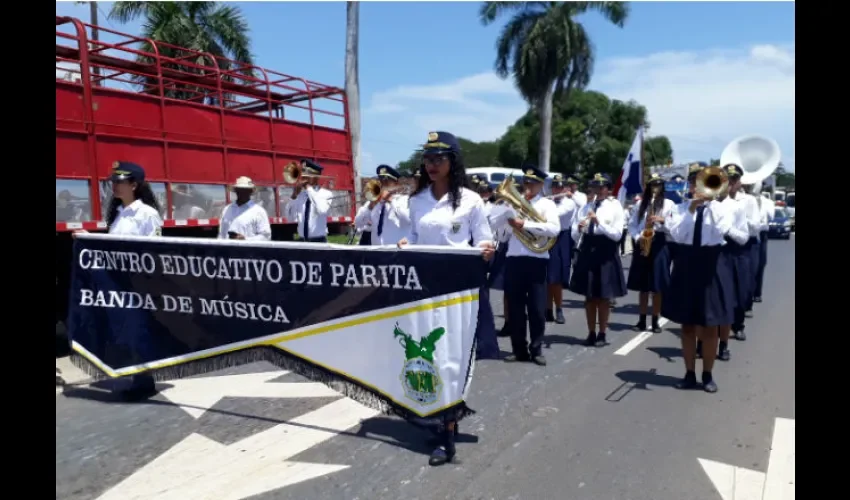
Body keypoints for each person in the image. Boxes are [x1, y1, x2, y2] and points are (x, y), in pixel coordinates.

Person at [398, 131, 495, 466]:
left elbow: (484, 240)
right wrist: (405, 246)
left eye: (439, 158)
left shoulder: (471, 200)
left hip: (458, 292)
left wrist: (485, 250)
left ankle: (448, 433)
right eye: (427, 158)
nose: (432, 165)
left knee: (451, 360)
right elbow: (413, 236)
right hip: (425, 288)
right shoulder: (416, 200)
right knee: (427, 354)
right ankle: (435, 417)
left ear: (453, 161)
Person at [74, 161, 164, 400]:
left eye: (119, 181)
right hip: (119, 284)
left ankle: (145, 381)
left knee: (138, 332)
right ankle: (135, 376)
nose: (114, 185)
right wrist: (90, 239)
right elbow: (113, 247)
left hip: (137, 284)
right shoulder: (119, 214)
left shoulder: (147, 214)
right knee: (125, 331)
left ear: (134, 185)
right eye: (113, 182)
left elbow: (153, 251)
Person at [663, 165, 736, 393]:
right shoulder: (680, 208)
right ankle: (689, 373)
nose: (698, 188)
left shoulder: (721, 209)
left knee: (710, 326)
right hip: (686, 265)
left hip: (711, 264)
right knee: (687, 325)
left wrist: (710, 204)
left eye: (703, 184)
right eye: (695, 183)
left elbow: (720, 230)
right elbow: (677, 234)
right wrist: (692, 209)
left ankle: (707, 374)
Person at [499, 165, 560, 366]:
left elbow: (553, 229)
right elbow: (503, 236)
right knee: (515, 309)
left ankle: (536, 349)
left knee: (536, 309)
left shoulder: (547, 205)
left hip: (537, 261)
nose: (528, 186)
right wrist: (505, 223)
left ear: (541, 184)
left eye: (533, 183)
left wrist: (525, 224)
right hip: (514, 259)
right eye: (526, 182)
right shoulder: (513, 206)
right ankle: (519, 350)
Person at [697, 163, 753, 362]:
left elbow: (744, 237)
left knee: (726, 303)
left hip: (728, 256)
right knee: (703, 303)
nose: (724, 185)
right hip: (706, 256)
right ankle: (702, 342)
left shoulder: (736, 208)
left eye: (728, 182)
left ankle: (723, 344)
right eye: (721, 181)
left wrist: (727, 229)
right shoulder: (704, 205)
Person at [568, 173, 627, 347]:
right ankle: (591, 332)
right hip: (588, 249)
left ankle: (602, 333)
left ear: (608, 189)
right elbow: (574, 232)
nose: (598, 191)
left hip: (605, 250)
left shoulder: (615, 207)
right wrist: (579, 229)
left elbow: (617, 235)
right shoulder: (586, 207)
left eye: (602, 187)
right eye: (595, 187)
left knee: (603, 297)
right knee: (589, 296)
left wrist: (599, 222)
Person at [627, 174, 675, 333]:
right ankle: (641, 319)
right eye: (653, 185)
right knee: (643, 286)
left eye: (659, 185)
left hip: (660, 243)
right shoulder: (640, 204)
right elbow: (632, 225)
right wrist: (638, 237)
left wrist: (661, 221)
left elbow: (675, 227)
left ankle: (655, 320)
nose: (656, 188)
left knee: (657, 286)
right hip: (643, 241)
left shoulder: (669, 204)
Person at [545, 174, 577, 324]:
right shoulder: (547, 201)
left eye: (560, 186)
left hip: (561, 237)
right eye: (555, 186)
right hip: (546, 237)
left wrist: (545, 203)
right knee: (545, 276)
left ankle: (558, 308)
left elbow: (555, 215)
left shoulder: (569, 203)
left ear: (565, 188)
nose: (557, 189)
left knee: (556, 278)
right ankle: (547, 309)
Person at [359, 165, 411, 246]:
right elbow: (358, 224)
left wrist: (391, 200)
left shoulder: (405, 200)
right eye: (380, 180)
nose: (383, 184)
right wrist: (371, 205)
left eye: (386, 180)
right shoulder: (374, 202)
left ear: (396, 183)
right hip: (377, 252)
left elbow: (408, 220)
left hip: (396, 253)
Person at [286, 159, 333, 242]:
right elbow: (290, 218)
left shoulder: (326, 194)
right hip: (302, 241)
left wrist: (309, 188)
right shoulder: (301, 195)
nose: (303, 177)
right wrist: (294, 196)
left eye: (307, 174)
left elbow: (321, 210)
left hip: (318, 241)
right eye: (303, 174)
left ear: (316, 176)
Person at [217, 176, 272, 241]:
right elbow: (221, 234)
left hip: (248, 250)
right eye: (240, 189)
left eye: (245, 190)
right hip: (228, 250)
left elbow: (266, 236)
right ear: (236, 191)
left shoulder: (258, 211)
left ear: (250, 192)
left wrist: (245, 239)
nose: (242, 192)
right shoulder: (227, 209)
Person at [752, 189, 775, 302]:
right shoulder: (743, 199)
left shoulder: (767, 202)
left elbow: (771, 216)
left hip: (761, 233)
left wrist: (760, 204)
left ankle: (757, 292)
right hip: (749, 233)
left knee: (760, 263)